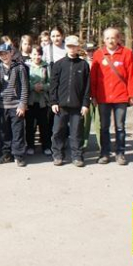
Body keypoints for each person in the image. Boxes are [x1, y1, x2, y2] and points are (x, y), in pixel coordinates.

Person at [91, 27, 133, 166]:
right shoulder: (98, 54)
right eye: (107, 38)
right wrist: (93, 95)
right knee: (104, 127)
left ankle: (120, 153)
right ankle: (104, 153)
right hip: (103, 97)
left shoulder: (127, 53)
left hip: (121, 97)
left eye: (113, 37)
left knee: (120, 127)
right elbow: (93, 77)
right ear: (104, 40)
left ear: (118, 39)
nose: (110, 40)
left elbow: (132, 76)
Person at [50, 36, 91, 167]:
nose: (72, 49)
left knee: (76, 132)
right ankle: (58, 154)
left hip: (77, 106)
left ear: (79, 47)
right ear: (66, 47)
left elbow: (87, 87)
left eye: (74, 46)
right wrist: (54, 102)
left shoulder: (83, 65)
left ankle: (77, 156)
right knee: (58, 131)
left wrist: (85, 104)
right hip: (60, 106)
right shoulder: (59, 64)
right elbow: (53, 85)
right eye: (69, 46)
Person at [0, 42, 29, 167]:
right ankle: (5, 154)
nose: (4, 56)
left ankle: (18, 155)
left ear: (11, 53)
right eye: (1, 54)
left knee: (17, 131)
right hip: (2, 105)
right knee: (3, 132)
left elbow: (25, 87)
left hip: (16, 105)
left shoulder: (20, 68)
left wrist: (22, 104)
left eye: (6, 53)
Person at [25, 46, 51, 156]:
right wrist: (32, 87)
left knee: (44, 125)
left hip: (43, 101)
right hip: (30, 101)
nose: (37, 57)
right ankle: (30, 146)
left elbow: (51, 83)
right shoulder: (26, 66)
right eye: (34, 54)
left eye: (39, 54)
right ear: (30, 55)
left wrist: (43, 87)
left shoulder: (46, 66)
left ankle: (46, 146)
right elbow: (23, 81)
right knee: (30, 125)